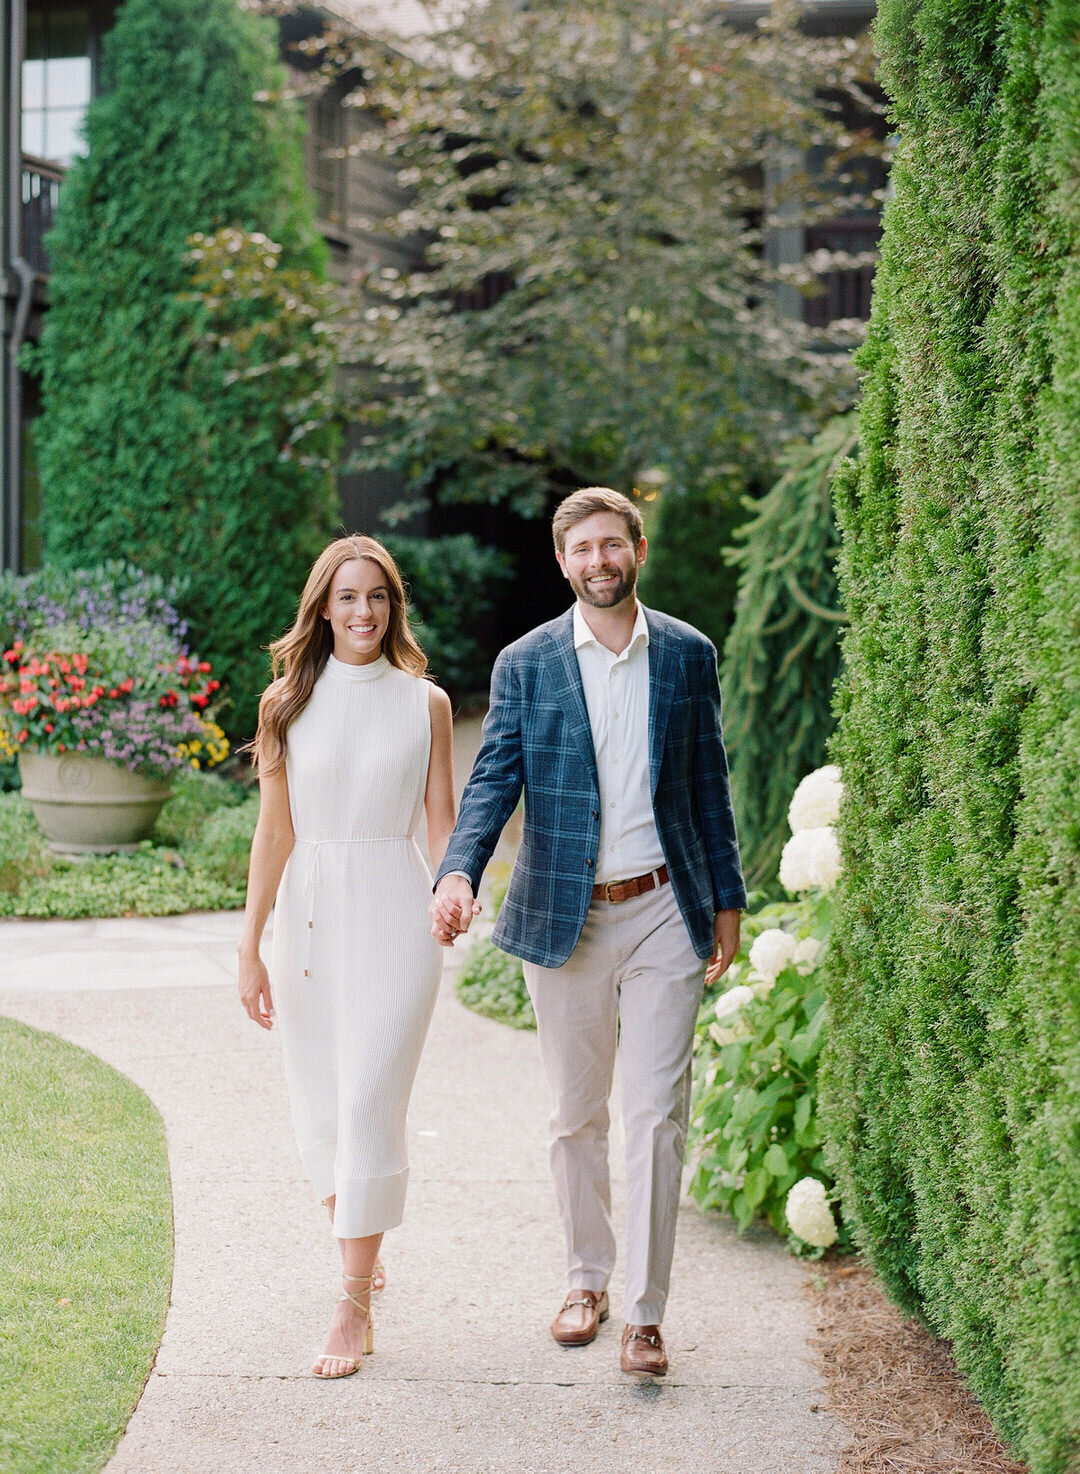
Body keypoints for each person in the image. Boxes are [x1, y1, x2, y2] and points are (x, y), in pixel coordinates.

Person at [431, 487, 745, 1379]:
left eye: (614, 544)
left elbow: (709, 787)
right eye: (583, 549)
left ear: (637, 550)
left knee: (656, 1115)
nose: (600, 561)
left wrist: (727, 899)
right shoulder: (527, 664)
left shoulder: (687, 655)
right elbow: (492, 778)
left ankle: (644, 1315)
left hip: (664, 910)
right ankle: (585, 1279)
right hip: (564, 913)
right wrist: (458, 869)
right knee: (575, 1117)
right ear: (562, 563)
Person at [238, 535, 454, 1380]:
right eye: (349, 597)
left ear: (393, 607)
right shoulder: (284, 704)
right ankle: (360, 1240)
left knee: (367, 1101)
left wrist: (454, 887)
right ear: (322, 608)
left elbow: (442, 823)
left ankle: (351, 1303)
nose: (365, 613)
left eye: (379, 598)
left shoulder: (425, 703)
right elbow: (275, 832)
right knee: (322, 1106)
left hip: (397, 916)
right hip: (312, 919)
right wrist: (248, 944)